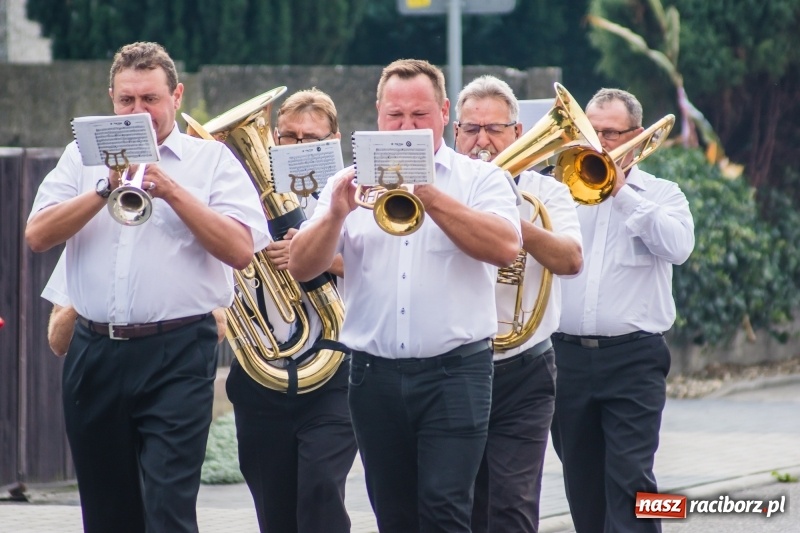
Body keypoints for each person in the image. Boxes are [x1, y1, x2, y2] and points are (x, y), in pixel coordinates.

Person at [24, 41, 269, 533]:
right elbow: (37, 235)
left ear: (175, 96)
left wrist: (173, 191)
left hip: (177, 351)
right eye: (127, 101)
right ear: (111, 99)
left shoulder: (211, 161)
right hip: (95, 350)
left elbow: (241, 250)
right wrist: (102, 189)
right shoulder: (81, 156)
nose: (138, 112)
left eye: (150, 100)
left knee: (168, 507)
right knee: (107, 512)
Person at [288, 59, 522, 533]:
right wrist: (334, 213)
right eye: (395, 116)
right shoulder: (346, 182)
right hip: (372, 376)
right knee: (393, 515)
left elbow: (505, 247)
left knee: (444, 511)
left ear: (442, 112)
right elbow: (301, 265)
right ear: (378, 114)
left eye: (419, 116)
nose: (407, 127)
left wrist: (428, 194)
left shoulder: (479, 179)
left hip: (455, 373)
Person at [551, 88, 695, 532]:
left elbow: (679, 247)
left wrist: (622, 192)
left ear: (637, 136)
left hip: (633, 358)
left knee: (632, 479)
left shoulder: (663, 194)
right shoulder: (560, 193)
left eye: (610, 133)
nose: (599, 143)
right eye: (590, 132)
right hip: (566, 358)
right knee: (582, 481)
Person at [453, 75, 583, 533]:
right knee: (458, 504)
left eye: (494, 128)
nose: (482, 140)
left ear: (518, 133)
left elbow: (570, 259)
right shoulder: (443, 191)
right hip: (456, 369)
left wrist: (509, 223)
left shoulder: (547, 192)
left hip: (523, 368)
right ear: (455, 135)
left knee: (513, 506)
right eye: (471, 129)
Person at [224, 88, 357, 533]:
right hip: (262, 371)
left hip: (334, 368)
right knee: (274, 509)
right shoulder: (244, 196)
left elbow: (380, 262)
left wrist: (313, 256)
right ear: (274, 138)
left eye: (311, 139)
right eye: (289, 136)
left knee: (321, 490)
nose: (298, 147)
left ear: (333, 140)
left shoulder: (354, 196)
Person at [42, 252, 228, 356]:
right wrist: (93, 291)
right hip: (101, 360)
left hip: (171, 360)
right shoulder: (87, 239)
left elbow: (218, 328)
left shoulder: (183, 241)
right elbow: (58, 342)